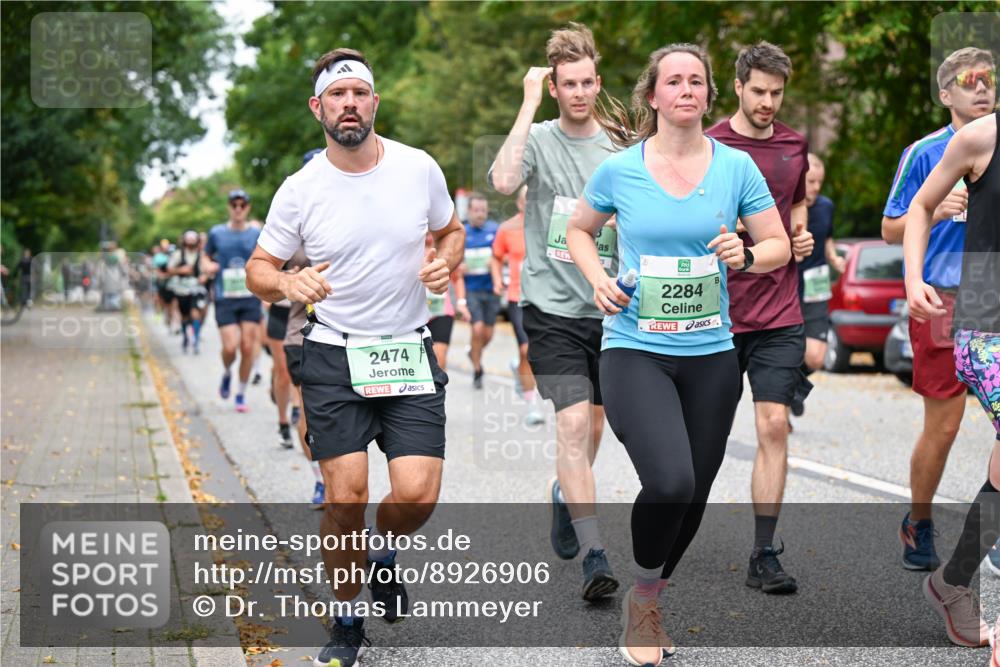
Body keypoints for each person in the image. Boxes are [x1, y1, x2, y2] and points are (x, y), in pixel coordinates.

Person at [568, 42, 789, 665]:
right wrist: (598, 278)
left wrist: (745, 255)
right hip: (635, 345)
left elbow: (776, 246)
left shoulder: (736, 168)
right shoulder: (621, 169)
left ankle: (650, 594)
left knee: (695, 491)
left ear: (707, 94)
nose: (686, 89)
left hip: (712, 351)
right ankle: (643, 597)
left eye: (697, 80)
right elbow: (581, 231)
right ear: (654, 94)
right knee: (670, 479)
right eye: (675, 80)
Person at [245, 47, 465, 667]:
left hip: (408, 353)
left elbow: (450, 232)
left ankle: (385, 551)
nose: (349, 104)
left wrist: (444, 263)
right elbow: (257, 268)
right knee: (345, 497)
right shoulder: (301, 189)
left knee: (417, 496)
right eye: (336, 95)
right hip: (335, 356)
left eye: (359, 93)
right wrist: (287, 283)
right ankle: (345, 621)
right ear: (318, 108)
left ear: (374, 102)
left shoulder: (418, 167)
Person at [488, 22, 620, 601]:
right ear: (556, 86)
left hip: (610, 307)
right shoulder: (538, 137)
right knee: (571, 422)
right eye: (568, 84)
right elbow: (502, 180)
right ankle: (596, 553)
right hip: (551, 309)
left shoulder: (620, 143)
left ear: (597, 81)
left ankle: (566, 494)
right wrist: (526, 103)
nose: (579, 93)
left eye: (588, 82)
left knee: (594, 425)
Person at [881, 47, 997, 571]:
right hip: (943, 297)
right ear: (946, 94)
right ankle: (919, 521)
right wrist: (937, 209)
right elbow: (890, 228)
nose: (982, 90)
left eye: (989, 81)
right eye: (969, 82)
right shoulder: (926, 152)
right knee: (945, 425)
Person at [706, 41, 814, 594]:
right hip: (713, 317)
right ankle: (670, 530)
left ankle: (764, 551)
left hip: (778, 310)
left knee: (773, 424)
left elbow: (795, 204)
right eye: (760, 92)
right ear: (739, 86)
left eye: (777, 93)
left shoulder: (795, 146)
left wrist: (799, 232)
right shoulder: (708, 146)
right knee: (704, 440)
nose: (769, 102)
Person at [903, 108, 999, 651]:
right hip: (987, 329)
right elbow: (918, 206)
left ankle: (953, 581)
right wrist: (914, 278)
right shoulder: (980, 138)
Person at [792, 152, 846, 417]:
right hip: (786, 284)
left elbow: (827, 238)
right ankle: (781, 394)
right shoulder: (784, 205)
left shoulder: (826, 206)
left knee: (815, 356)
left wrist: (834, 257)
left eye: (819, 182)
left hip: (816, 284)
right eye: (810, 181)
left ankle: (792, 386)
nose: (815, 188)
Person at [205, 189, 262, 413]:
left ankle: (240, 392)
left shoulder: (256, 233)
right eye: (234, 204)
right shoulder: (217, 233)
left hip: (250, 297)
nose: (238, 209)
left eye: (242, 205)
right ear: (229, 207)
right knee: (230, 347)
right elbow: (205, 257)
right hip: (224, 297)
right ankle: (227, 372)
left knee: (247, 347)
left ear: (248, 208)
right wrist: (207, 266)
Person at [491, 185, 544, 424]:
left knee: (539, 353)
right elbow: (496, 256)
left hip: (545, 297)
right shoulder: (507, 228)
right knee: (526, 349)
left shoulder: (548, 224)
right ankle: (533, 406)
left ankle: (518, 368)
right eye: (526, 199)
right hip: (517, 297)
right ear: (520, 203)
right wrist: (495, 280)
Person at [462, 192, 501, 388]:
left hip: (491, 289)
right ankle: (477, 369)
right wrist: (459, 266)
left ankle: (473, 352)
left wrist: (496, 264)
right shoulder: (461, 232)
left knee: (487, 335)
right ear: (469, 211)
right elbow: (452, 259)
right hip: (471, 289)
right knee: (477, 329)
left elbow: (504, 254)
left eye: (483, 210)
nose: (480, 214)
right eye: (476, 210)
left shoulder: (495, 230)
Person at [425, 232, 470, 371]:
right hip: (413, 313)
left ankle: (437, 391)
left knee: (439, 356)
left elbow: (457, 278)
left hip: (441, 311)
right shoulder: (406, 250)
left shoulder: (445, 251)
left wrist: (461, 304)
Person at [167, 230, 211, 354]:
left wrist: (205, 277)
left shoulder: (201, 255)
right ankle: (186, 337)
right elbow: (170, 269)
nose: (191, 241)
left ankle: (195, 340)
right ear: (184, 241)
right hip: (181, 290)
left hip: (196, 289)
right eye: (189, 239)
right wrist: (181, 270)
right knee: (185, 316)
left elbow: (207, 270)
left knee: (196, 314)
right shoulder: (178, 254)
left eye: (193, 239)